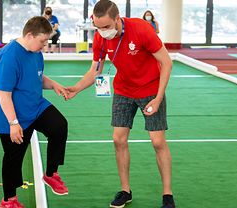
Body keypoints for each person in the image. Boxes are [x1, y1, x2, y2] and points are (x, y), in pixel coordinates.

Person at [66, 1, 175, 208]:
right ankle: (125, 190)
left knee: (158, 142)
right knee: (118, 139)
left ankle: (167, 195)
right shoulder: (99, 37)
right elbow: (95, 70)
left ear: (117, 19)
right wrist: (77, 88)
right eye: (98, 27)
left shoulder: (141, 29)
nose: (102, 31)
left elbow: (167, 62)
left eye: (106, 27)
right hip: (123, 90)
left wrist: (158, 97)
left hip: (151, 89)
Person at [0, 16, 69, 208]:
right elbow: (4, 95)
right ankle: (8, 201)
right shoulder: (9, 56)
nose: (44, 45)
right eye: (42, 41)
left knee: (59, 126)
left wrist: (54, 85)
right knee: (14, 157)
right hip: (11, 113)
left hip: (34, 105)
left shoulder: (35, 50)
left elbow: (37, 76)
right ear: (30, 35)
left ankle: (51, 174)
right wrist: (14, 124)